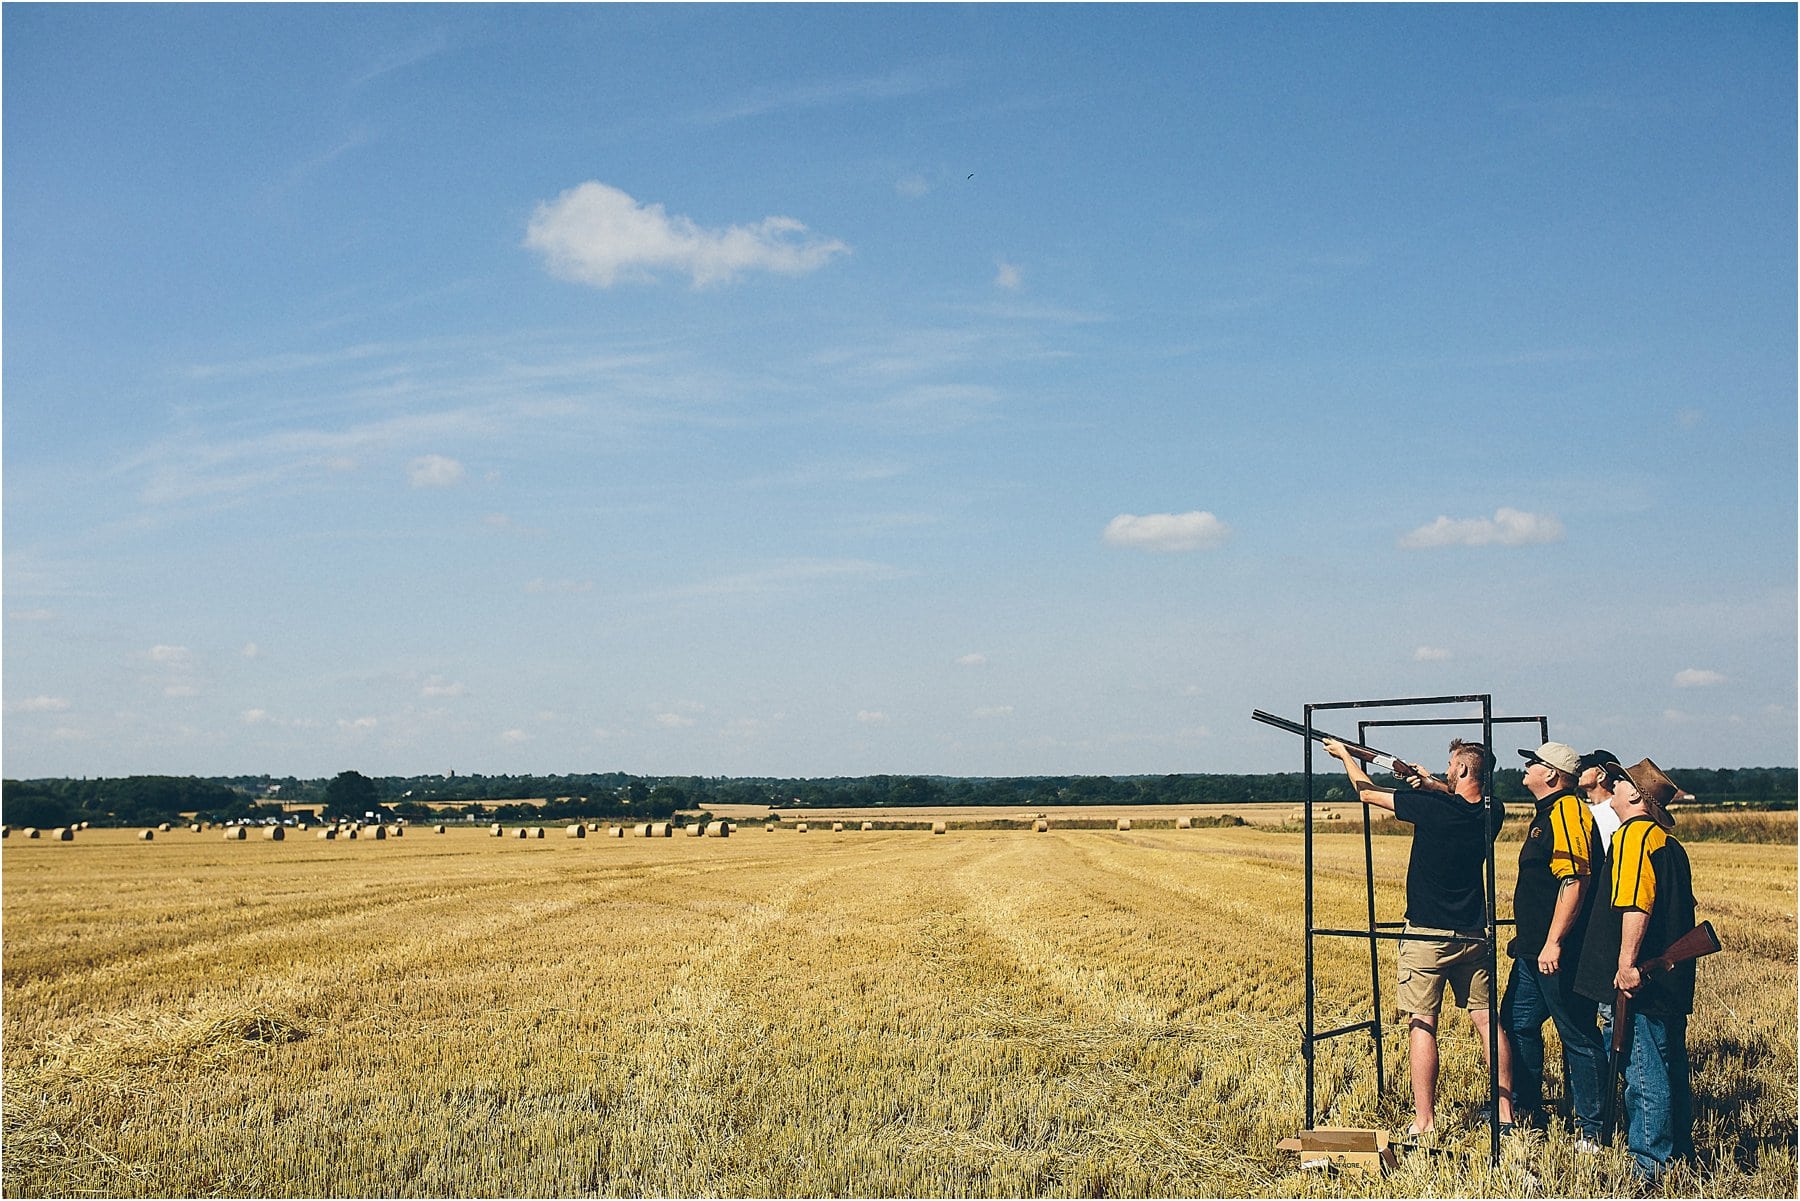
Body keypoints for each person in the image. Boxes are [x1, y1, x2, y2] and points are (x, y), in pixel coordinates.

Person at [1321, 736, 1511, 1137]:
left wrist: (1345, 756)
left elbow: (1366, 793)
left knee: (1422, 1023)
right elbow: (1461, 800)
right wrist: (1427, 782)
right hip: (1473, 933)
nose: (1446, 770)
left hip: (1428, 934)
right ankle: (1505, 1115)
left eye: (1450, 765)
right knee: (1487, 1021)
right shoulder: (1493, 812)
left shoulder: (1433, 810)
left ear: (1462, 769)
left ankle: (1425, 1121)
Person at [1501, 741, 1608, 1146]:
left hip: (1555, 952)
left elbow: (1575, 880)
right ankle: (1528, 1110)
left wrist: (1555, 942)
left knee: (1578, 1034)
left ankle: (1592, 1130)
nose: (1525, 768)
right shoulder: (1548, 813)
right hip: (1532, 951)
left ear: (1551, 775)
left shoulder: (1566, 812)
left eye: (1533, 763)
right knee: (1516, 1023)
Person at [1596, 758, 1696, 1185]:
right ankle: (1679, 1156)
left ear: (1635, 795)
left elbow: (1637, 902)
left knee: (1642, 1070)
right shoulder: (1666, 842)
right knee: (1669, 1063)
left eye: (1619, 782)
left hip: (1644, 976)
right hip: (1669, 974)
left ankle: (1651, 1168)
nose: (1612, 786)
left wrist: (1626, 964)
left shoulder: (1634, 837)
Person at [1578, 749, 1625, 854]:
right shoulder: (1586, 809)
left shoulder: (1616, 812)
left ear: (1601, 775)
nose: (1578, 771)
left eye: (1584, 768)